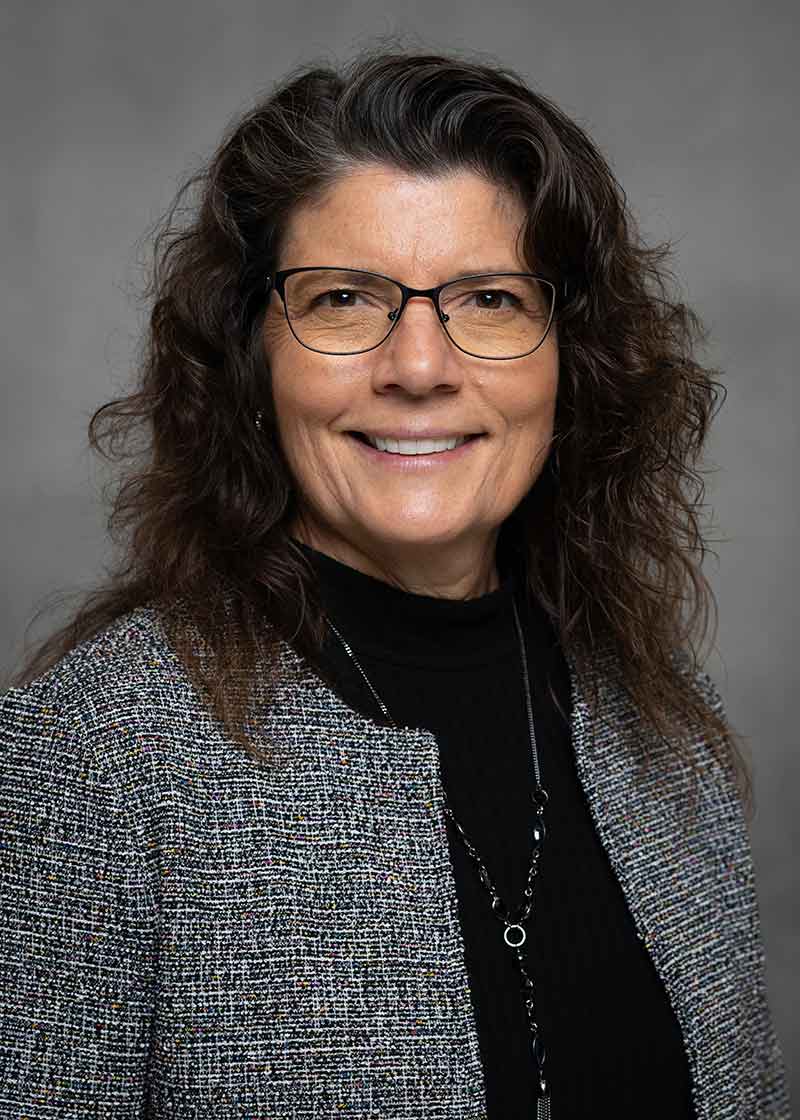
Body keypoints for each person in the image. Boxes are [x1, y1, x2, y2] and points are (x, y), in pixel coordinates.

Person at [0, 47, 790, 1120]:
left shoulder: (663, 730)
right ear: (252, 357)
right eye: (341, 299)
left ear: (569, 355)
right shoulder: (95, 750)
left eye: (490, 299)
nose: (418, 365)